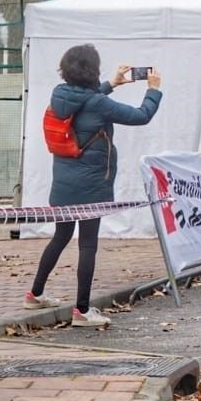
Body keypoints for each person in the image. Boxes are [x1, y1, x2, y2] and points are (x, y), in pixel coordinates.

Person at [26, 47, 164, 327]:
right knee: (88, 244)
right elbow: (141, 115)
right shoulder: (98, 103)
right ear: (92, 71)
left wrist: (112, 84)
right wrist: (153, 90)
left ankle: (35, 293)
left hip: (63, 185)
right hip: (90, 186)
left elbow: (85, 100)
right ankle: (82, 310)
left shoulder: (60, 94)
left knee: (61, 237)